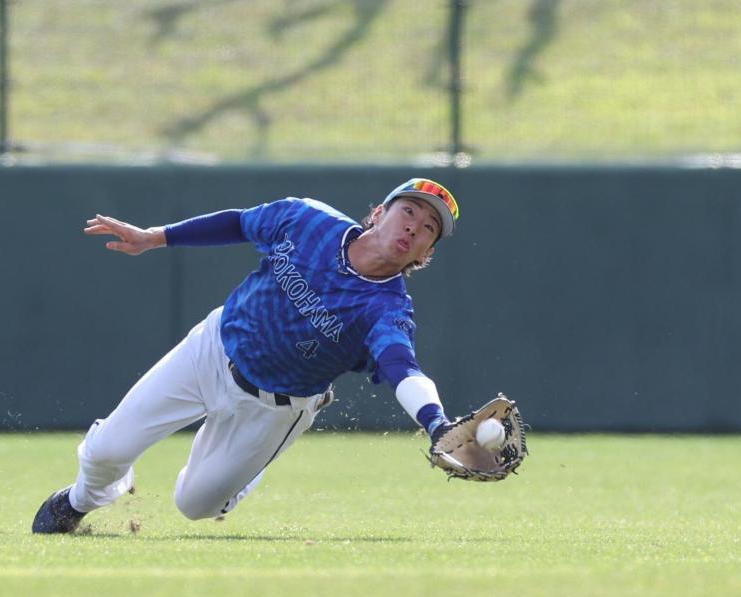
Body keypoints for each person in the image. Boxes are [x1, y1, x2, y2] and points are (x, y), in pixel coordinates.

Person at [32, 178, 460, 533]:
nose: (413, 229)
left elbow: (403, 369)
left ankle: (247, 471)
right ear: (380, 213)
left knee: (195, 505)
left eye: (427, 229)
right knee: (106, 450)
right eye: (409, 212)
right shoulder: (307, 219)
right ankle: (79, 501)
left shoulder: (387, 309)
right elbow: (239, 223)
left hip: (274, 407)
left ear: (427, 253)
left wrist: (435, 422)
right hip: (214, 349)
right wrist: (156, 237)